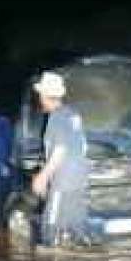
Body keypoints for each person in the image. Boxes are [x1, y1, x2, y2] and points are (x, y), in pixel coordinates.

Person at [30, 71, 92, 248]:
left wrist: (43, 177)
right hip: (80, 181)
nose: (39, 99)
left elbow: (60, 150)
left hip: (63, 183)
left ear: (44, 96)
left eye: (40, 95)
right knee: (78, 231)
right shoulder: (73, 115)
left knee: (50, 229)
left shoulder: (57, 117)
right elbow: (81, 147)